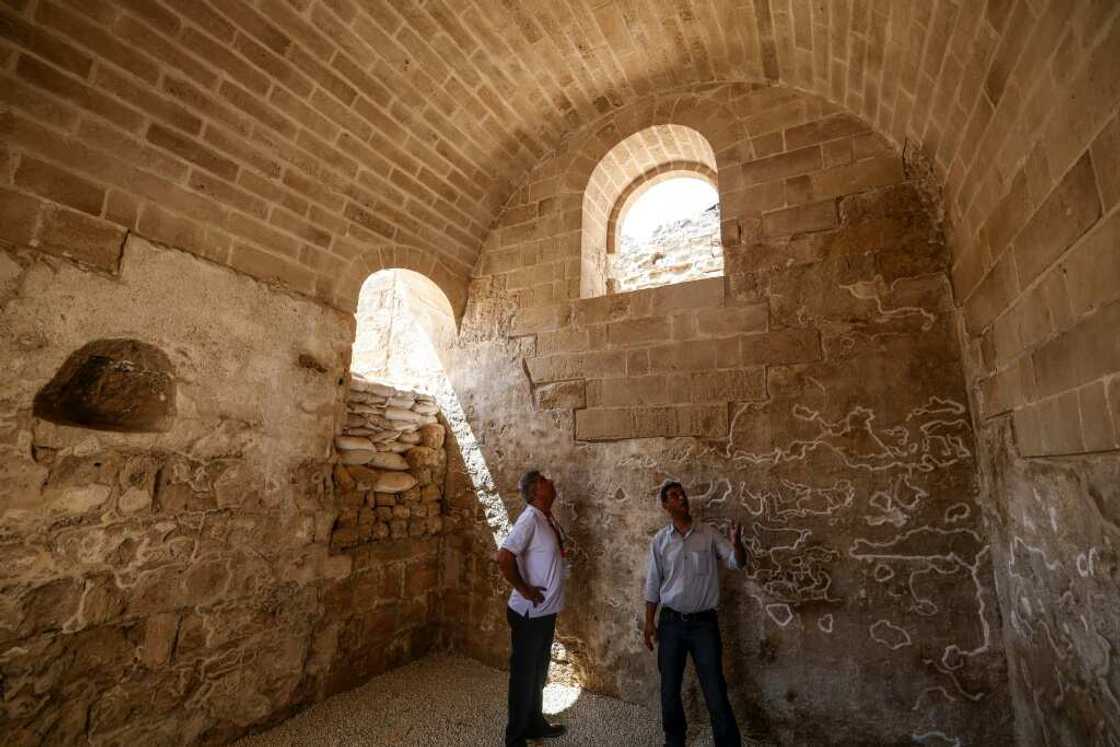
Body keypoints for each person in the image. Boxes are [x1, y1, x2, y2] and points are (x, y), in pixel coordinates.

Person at [643, 480, 748, 747]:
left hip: (704, 625)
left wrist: (737, 545)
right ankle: (675, 740)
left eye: (683, 494)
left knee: (714, 689)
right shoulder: (660, 541)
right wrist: (649, 622)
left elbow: (736, 562)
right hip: (671, 624)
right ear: (666, 506)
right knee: (669, 689)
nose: (682, 498)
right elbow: (653, 584)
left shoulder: (709, 534)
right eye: (675, 496)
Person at [496, 470, 568, 746]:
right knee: (524, 677)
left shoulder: (545, 517)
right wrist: (525, 590)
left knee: (538, 672)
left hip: (544, 612)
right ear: (538, 488)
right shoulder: (529, 519)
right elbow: (504, 558)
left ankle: (534, 723)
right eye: (547, 478)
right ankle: (514, 738)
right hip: (528, 614)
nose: (552, 481)